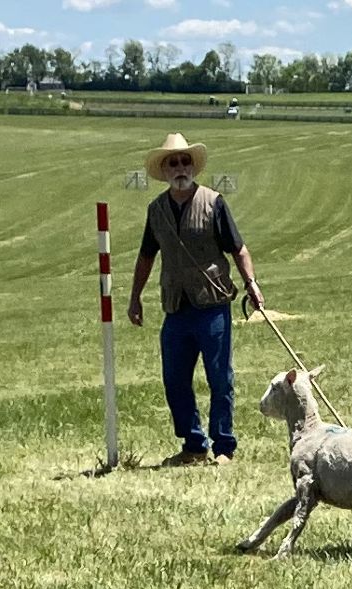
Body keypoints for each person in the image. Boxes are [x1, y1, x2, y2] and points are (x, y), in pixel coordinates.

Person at [127, 133, 265, 467]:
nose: (180, 167)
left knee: (220, 378)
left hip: (212, 305)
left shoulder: (214, 202)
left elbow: (238, 249)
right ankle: (193, 445)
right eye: (173, 162)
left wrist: (252, 284)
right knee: (174, 381)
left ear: (193, 166)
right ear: (164, 169)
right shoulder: (156, 210)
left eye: (185, 160)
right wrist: (135, 298)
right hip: (176, 307)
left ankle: (223, 447)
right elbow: (146, 257)